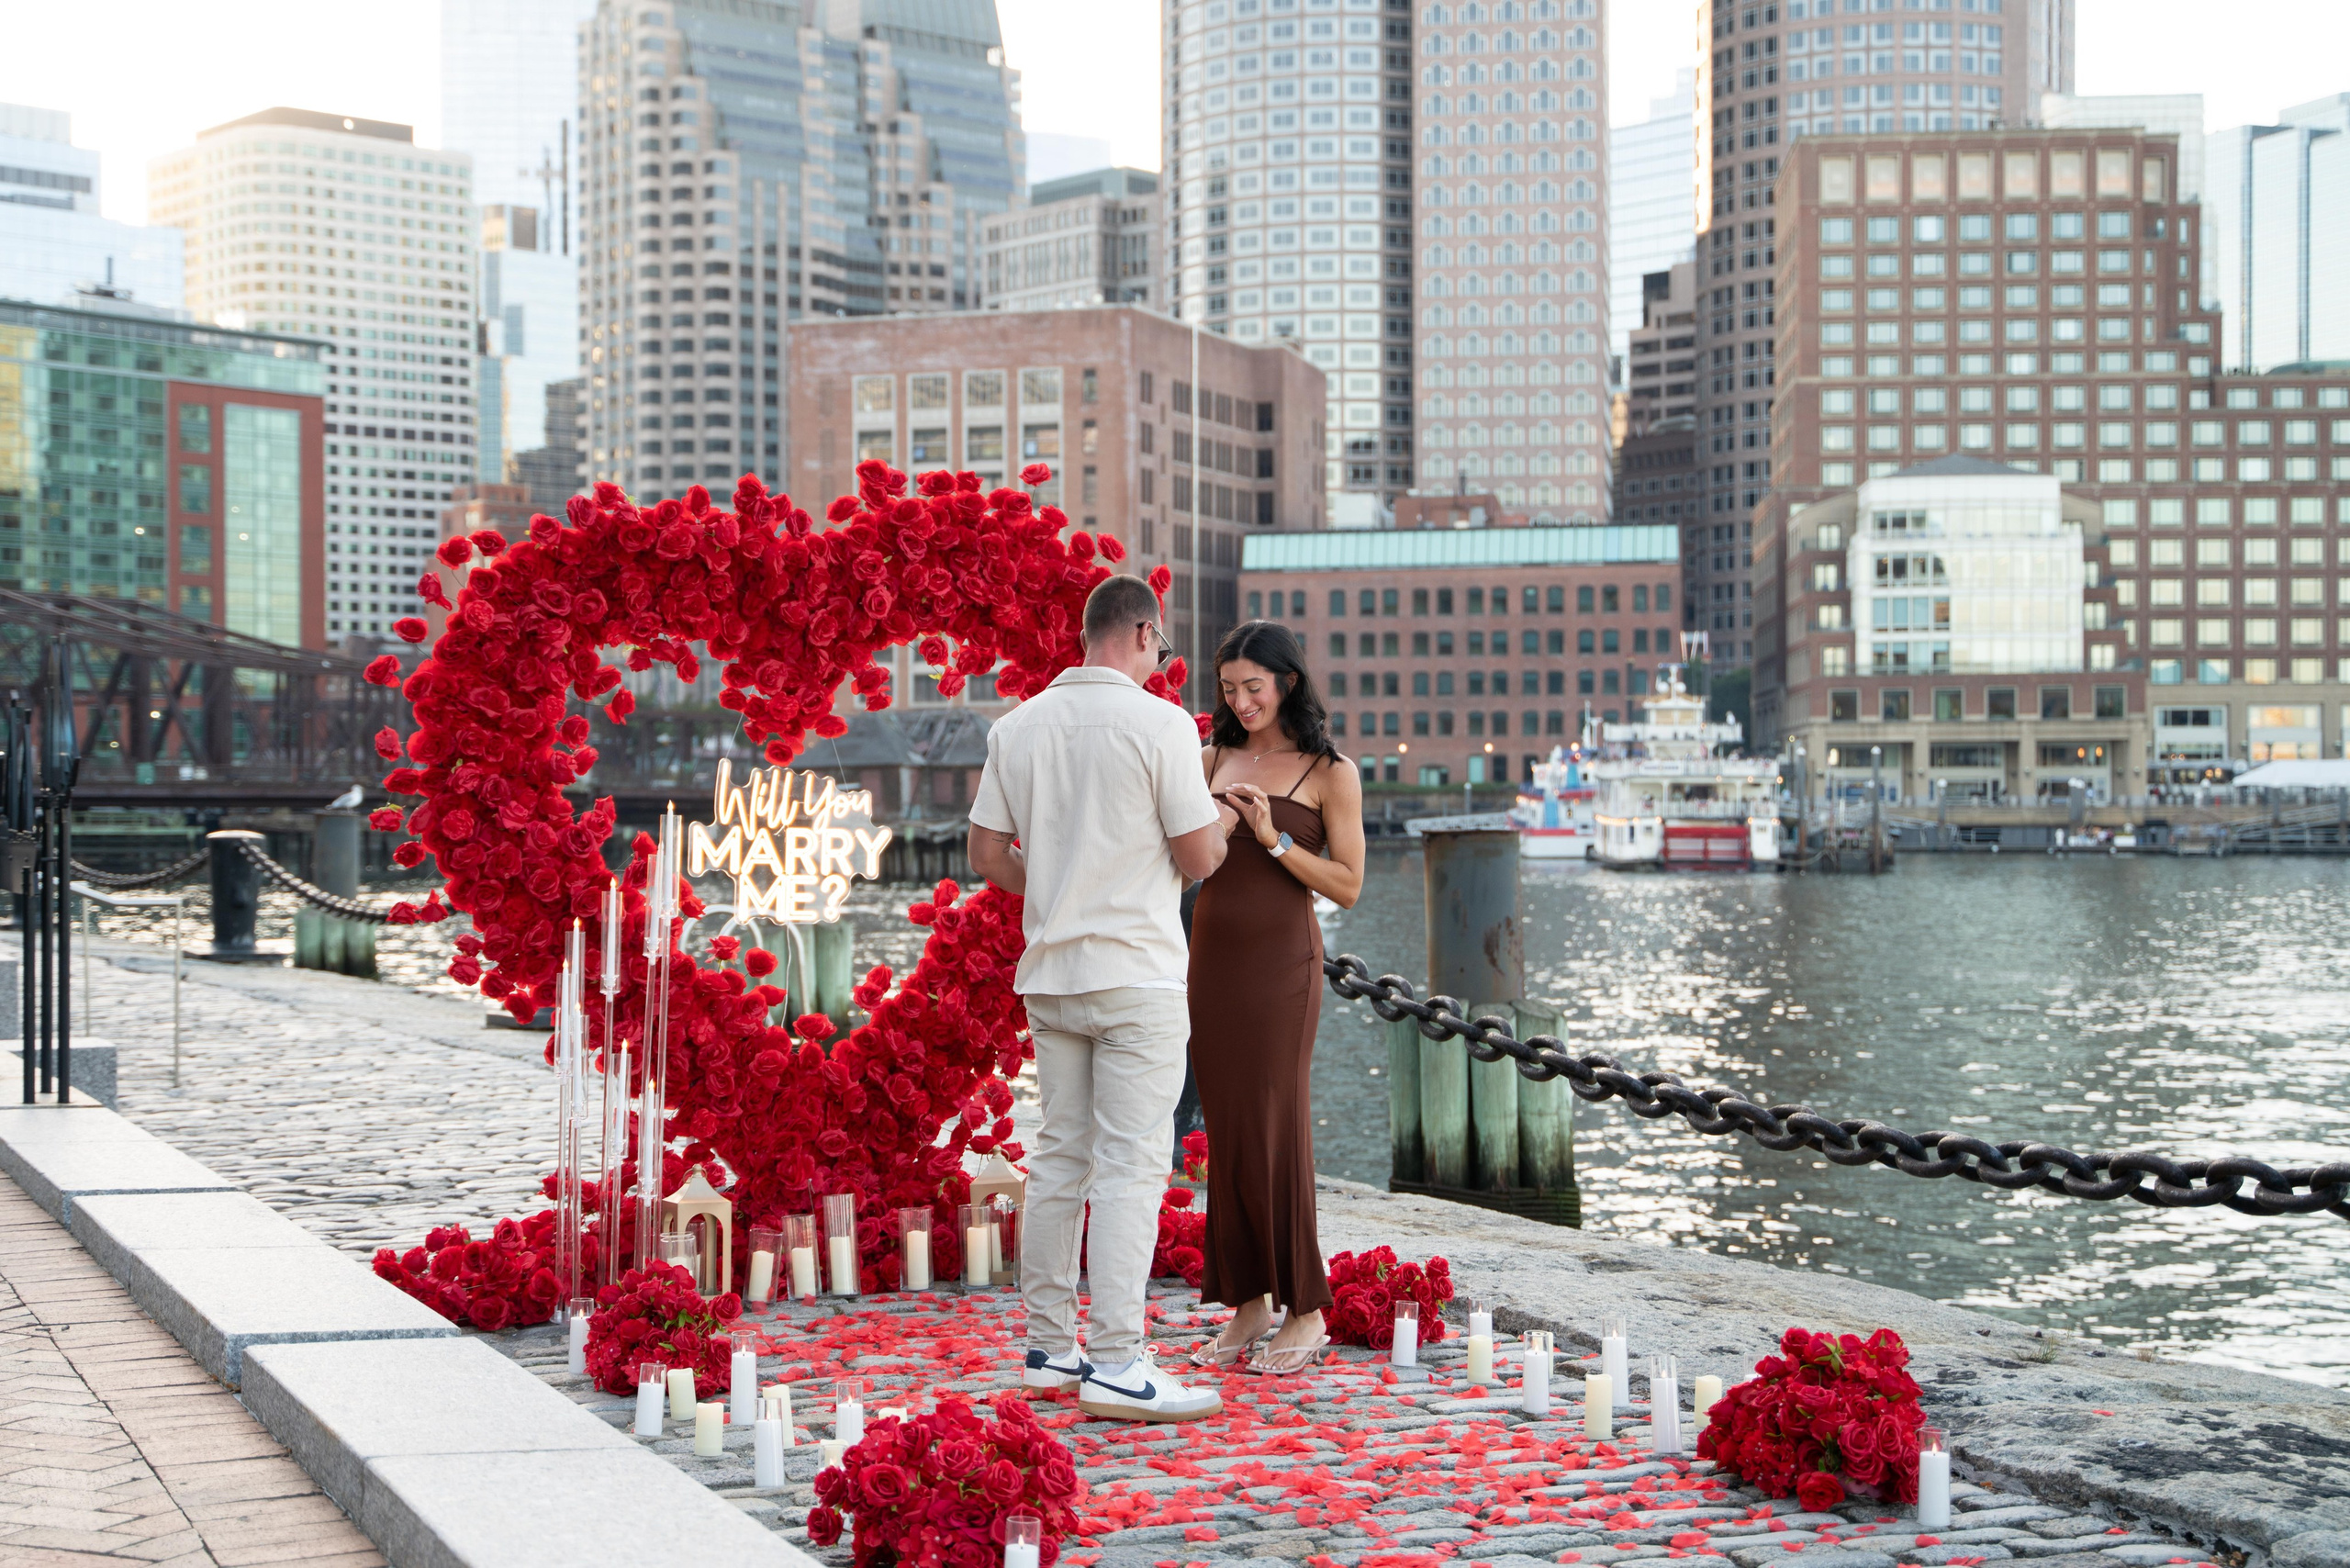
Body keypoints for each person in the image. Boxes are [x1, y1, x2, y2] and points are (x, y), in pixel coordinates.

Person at [967, 574, 1237, 1424]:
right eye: (1162, 647)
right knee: (1131, 1165)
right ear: (1145, 635)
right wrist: (1230, 817)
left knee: (1058, 1158)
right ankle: (1120, 1361)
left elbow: (985, 852)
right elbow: (1199, 860)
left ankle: (1050, 1349)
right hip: (1136, 976)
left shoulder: (1018, 726)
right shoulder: (1161, 724)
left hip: (1052, 973)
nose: (1164, 660)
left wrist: (1050, 885)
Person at [1184, 619, 1364, 1375]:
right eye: (1228, 688)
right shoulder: (1207, 758)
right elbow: (1183, 858)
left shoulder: (1331, 770)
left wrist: (1274, 837)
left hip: (1281, 967)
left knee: (1277, 1125)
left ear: (1287, 681)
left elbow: (1349, 886)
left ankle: (1308, 1308)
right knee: (1226, 1131)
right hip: (1211, 961)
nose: (1240, 700)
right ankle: (1248, 1302)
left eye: (1252, 686)